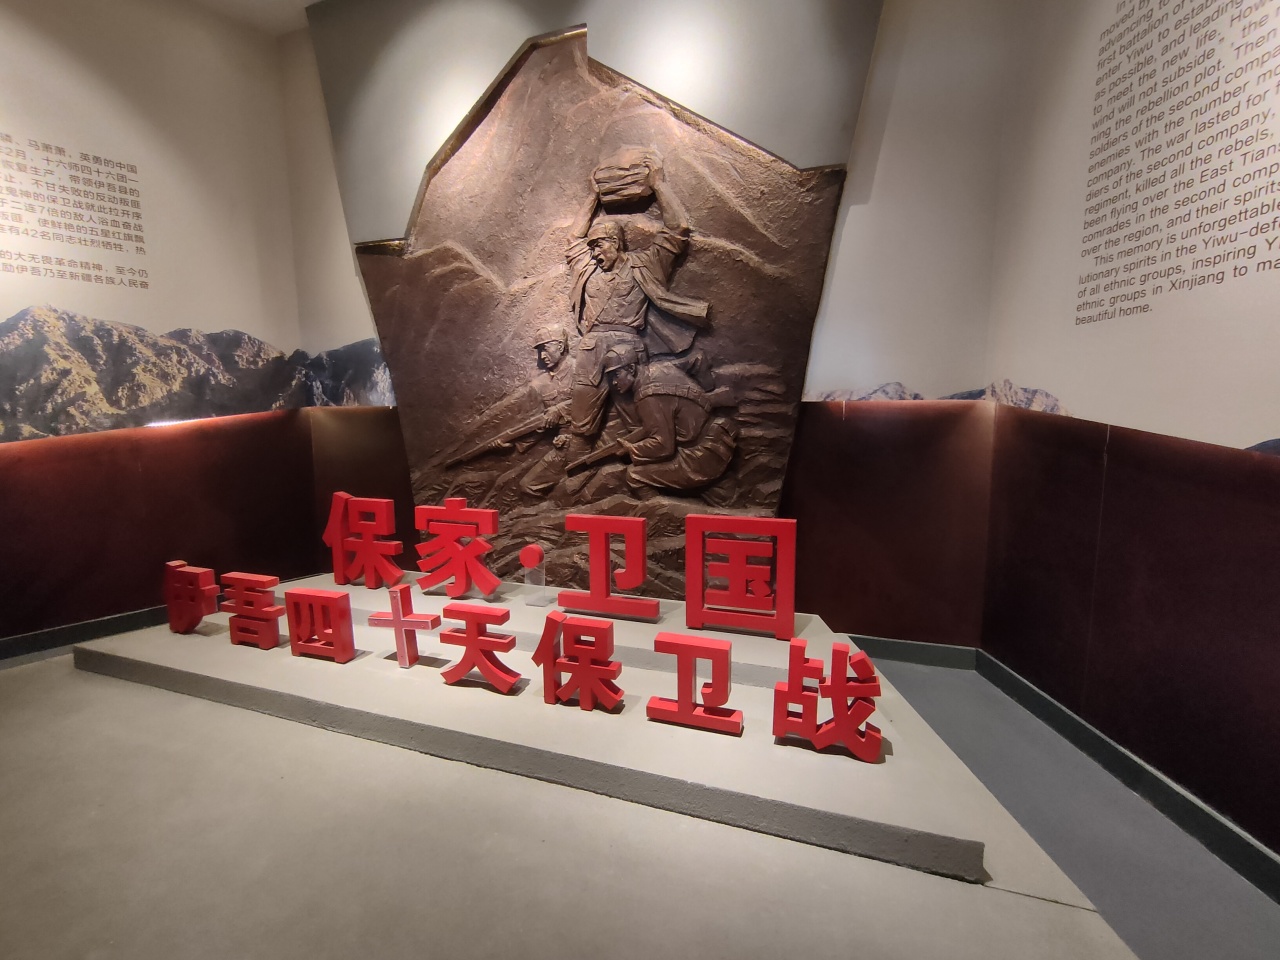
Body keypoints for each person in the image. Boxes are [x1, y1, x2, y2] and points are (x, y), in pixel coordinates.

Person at [563, 153, 710, 459]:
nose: (594, 252)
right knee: (581, 424)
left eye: (598, 245)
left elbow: (678, 230)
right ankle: (574, 471)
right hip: (591, 350)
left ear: (615, 242)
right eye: (592, 247)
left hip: (628, 351)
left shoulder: (645, 264)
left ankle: (645, 471)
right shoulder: (587, 269)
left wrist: (658, 185)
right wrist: (593, 197)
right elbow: (573, 239)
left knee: (641, 419)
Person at [601, 343, 736, 492]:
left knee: (634, 476)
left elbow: (664, 446)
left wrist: (632, 449)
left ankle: (665, 506)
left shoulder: (647, 396)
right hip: (715, 436)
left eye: (617, 374)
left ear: (631, 369)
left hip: (701, 455)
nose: (614, 382)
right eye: (610, 377)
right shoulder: (660, 368)